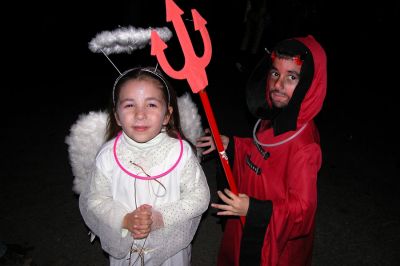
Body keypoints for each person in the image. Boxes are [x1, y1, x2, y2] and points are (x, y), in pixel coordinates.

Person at [197, 35, 327, 265]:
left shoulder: (304, 147)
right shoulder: (277, 117)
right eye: (275, 73)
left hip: (272, 242)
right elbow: (265, 153)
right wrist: (234, 145)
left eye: (292, 77)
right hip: (247, 219)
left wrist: (255, 210)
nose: (278, 85)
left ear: (308, 83)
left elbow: (303, 212)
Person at [79, 67, 210, 266]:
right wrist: (124, 220)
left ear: (167, 115)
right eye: (130, 105)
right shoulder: (107, 156)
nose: (140, 114)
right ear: (116, 116)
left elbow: (200, 196)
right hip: (127, 252)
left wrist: (160, 218)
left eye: (151, 104)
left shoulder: (180, 153)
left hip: (170, 253)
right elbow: (96, 199)